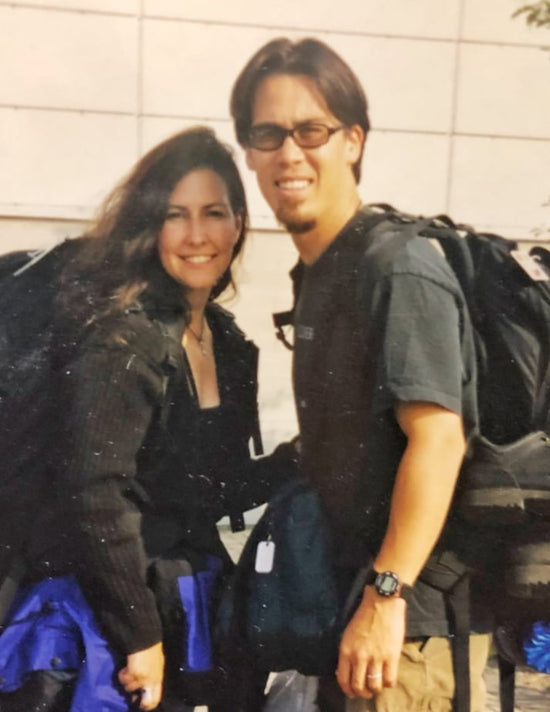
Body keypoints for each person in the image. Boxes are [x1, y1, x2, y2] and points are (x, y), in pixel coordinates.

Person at [230, 38, 491, 712]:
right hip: (351, 609)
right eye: (268, 134)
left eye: (310, 130)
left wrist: (386, 595)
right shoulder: (323, 270)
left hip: (405, 630)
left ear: (352, 140)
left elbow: (438, 438)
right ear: (250, 153)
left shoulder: (397, 268)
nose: (289, 152)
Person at [0, 126, 294, 711]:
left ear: (239, 223)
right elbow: (96, 493)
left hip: (175, 601)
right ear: (148, 225)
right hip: (101, 619)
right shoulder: (125, 337)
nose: (196, 235)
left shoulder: (227, 343)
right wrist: (139, 637)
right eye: (174, 215)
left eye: (214, 213)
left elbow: (205, 490)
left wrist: (291, 465)